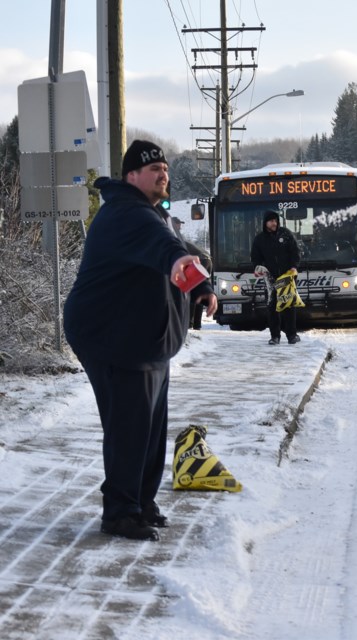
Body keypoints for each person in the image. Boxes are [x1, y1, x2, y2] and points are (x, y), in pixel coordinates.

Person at [64, 140, 218, 541]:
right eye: (154, 169)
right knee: (130, 426)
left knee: (150, 425)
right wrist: (186, 268)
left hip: (145, 343)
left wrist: (201, 284)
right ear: (131, 176)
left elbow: (181, 247)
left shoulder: (149, 215)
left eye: (165, 168)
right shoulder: (125, 214)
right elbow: (168, 249)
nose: (163, 174)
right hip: (113, 339)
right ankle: (119, 512)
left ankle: (141, 502)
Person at [251, 210, 301, 345]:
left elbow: (295, 252)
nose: (274, 223)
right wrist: (257, 268)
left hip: (286, 276)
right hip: (270, 278)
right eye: (271, 221)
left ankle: (292, 335)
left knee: (289, 306)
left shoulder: (286, 234)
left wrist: (294, 266)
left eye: (275, 220)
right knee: (272, 307)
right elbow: (255, 259)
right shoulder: (259, 239)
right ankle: (275, 336)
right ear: (265, 223)